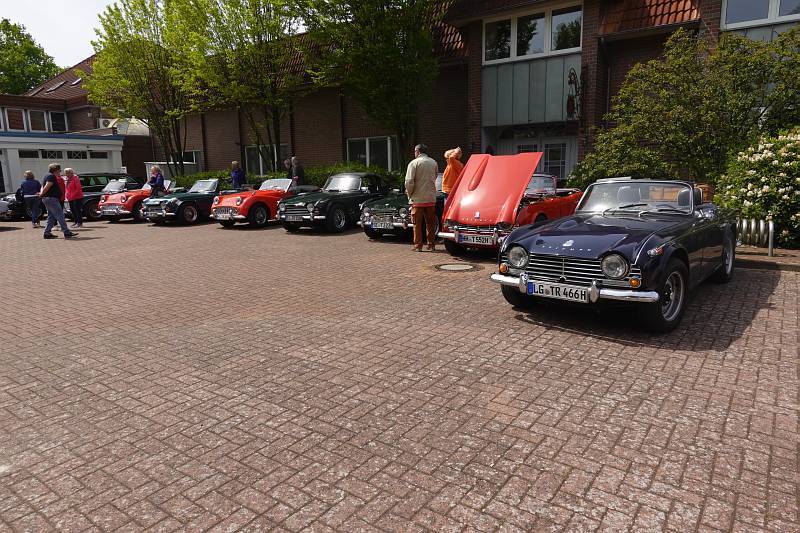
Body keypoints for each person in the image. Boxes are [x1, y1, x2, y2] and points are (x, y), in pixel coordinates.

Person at [405, 144, 438, 252]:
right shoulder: (433, 162)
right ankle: (431, 244)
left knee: (417, 224)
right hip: (431, 198)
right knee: (430, 223)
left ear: (418, 151)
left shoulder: (413, 163)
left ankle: (418, 245)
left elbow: (409, 181)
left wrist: (410, 194)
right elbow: (435, 176)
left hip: (417, 198)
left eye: (415, 151)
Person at [38, 163, 75, 239]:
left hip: (48, 199)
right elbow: (48, 185)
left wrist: (42, 194)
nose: (60, 172)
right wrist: (41, 194)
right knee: (60, 215)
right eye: (59, 170)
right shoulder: (51, 176)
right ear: (56, 170)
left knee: (51, 217)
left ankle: (47, 233)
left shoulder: (47, 175)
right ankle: (66, 232)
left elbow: (43, 186)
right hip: (52, 199)